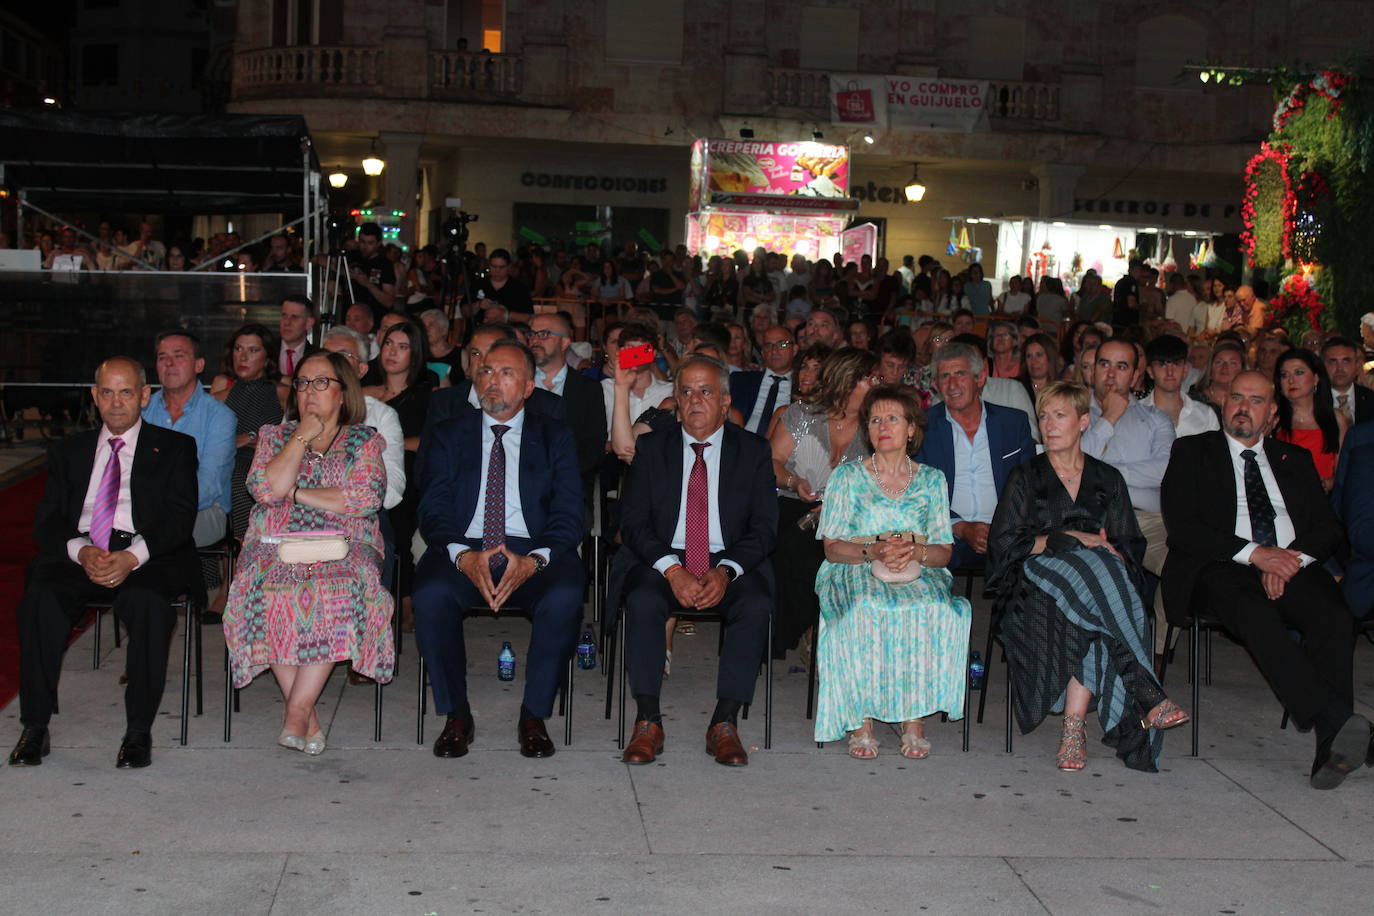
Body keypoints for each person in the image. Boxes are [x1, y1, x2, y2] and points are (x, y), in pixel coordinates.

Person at [1161, 371, 1370, 789]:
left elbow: (1329, 528)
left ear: (1273, 413)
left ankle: (1333, 743)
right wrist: (1257, 554)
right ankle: (1334, 718)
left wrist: (1286, 561)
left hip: (1291, 564)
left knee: (1334, 616)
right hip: (1219, 567)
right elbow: (1183, 527)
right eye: (1236, 397)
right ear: (1223, 403)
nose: (1243, 407)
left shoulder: (1295, 459)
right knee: (1252, 609)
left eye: (1255, 400)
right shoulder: (1191, 452)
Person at [9, 358, 201, 769]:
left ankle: (137, 733)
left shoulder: (173, 448)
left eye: (126, 392)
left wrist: (132, 557)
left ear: (144, 396)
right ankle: (35, 726)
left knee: (149, 607)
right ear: (95, 397)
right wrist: (82, 551)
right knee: (40, 599)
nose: (117, 403)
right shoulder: (68, 451)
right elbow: (47, 521)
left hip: (144, 555)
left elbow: (179, 519)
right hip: (85, 553)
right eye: (108, 392)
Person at [989, 381, 1189, 773]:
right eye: (1043, 416)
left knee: (1097, 582)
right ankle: (1145, 696)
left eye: (1059, 415)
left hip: (1095, 593)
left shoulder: (1107, 478)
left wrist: (1101, 548)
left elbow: (1129, 543)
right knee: (1090, 574)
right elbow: (1005, 545)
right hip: (1035, 586)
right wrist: (1064, 539)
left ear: (1083, 421)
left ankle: (1073, 730)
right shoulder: (1025, 476)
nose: (1048, 424)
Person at [413, 340, 585, 760]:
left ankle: (534, 715)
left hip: (533, 550)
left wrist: (532, 561)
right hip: (463, 546)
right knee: (430, 593)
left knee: (564, 594)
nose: (493, 380)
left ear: (527, 387)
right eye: (486, 370)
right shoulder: (448, 435)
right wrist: (463, 556)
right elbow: (433, 510)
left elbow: (570, 514)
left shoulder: (555, 436)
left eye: (506, 373)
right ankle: (456, 715)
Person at [222, 351, 395, 756]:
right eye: (302, 383)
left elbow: (362, 497)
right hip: (274, 543)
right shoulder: (273, 436)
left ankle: (297, 709)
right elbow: (264, 490)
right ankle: (305, 716)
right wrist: (299, 437)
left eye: (321, 383)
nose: (309, 392)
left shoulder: (363, 440)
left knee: (336, 586)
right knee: (259, 588)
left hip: (345, 543)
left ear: (342, 392)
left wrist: (296, 493)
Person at [618, 355, 778, 766]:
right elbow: (633, 523)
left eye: (705, 391)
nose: (694, 401)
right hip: (663, 558)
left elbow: (764, 528)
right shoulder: (653, 447)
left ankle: (724, 722)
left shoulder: (754, 451)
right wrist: (672, 570)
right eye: (685, 391)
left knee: (755, 602)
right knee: (643, 599)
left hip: (729, 559)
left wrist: (725, 571)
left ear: (725, 401)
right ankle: (648, 720)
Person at [814, 385, 971, 758]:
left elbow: (944, 551)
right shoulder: (847, 477)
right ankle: (860, 719)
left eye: (893, 418)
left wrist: (915, 551)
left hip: (918, 568)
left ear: (912, 428)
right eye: (874, 419)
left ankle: (912, 716)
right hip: (853, 566)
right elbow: (832, 547)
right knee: (868, 604)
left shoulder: (932, 480)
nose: (882, 426)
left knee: (930, 605)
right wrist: (873, 551)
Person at [769, 348, 878, 657]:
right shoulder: (804, 415)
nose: (876, 384)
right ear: (849, 380)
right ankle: (808, 625)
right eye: (871, 378)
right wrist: (795, 482)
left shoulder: (875, 426)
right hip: (793, 500)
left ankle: (816, 626)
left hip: (849, 514)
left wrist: (841, 504)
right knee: (790, 539)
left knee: (814, 544)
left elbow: (882, 481)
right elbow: (772, 462)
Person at [1081, 338, 1175, 652]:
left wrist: (1104, 471)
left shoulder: (1156, 420)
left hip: (1148, 521)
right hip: (1089, 519)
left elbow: (1163, 471)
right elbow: (1072, 470)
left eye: (1122, 366)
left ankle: (1156, 656)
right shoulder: (1072, 414)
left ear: (1135, 375)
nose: (1111, 374)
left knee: (1181, 568)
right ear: (1092, 369)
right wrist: (1107, 419)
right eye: (1104, 364)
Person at [916, 341, 1035, 571]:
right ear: (935, 386)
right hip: (945, 535)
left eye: (960, 374)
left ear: (979, 379)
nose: (952, 385)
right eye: (944, 377)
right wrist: (960, 527)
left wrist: (1003, 528)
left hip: (1006, 532)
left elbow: (1028, 486)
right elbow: (919, 492)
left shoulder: (1013, 423)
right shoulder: (923, 427)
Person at [362, 320, 434, 620]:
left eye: (402, 347)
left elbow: (429, 440)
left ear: (414, 354)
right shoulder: (362, 392)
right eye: (389, 344)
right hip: (362, 473)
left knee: (400, 507)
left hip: (408, 471)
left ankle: (403, 594)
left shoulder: (425, 395)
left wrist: (391, 443)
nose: (392, 352)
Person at [141, 331, 236, 550]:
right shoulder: (143, 411)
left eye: (178, 355)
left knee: (148, 532)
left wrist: (155, 505)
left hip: (203, 512)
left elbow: (208, 486)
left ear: (199, 365)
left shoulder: (219, 416)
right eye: (162, 357)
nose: (169, 363)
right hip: (145, 509)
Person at [211, 324, 288, 550]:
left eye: (253, 350)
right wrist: (237, 440)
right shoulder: (218, 399)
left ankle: (247, 554)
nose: (243, 357)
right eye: (238, 349)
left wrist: (254, 437)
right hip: (225, 466)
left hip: (265, 469)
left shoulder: (284, 393)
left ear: (267, 357)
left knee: (242, 483)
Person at [528, 311, 608, 487]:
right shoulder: (517, 383)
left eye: (544, 334)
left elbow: (594, 445)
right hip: (522, 485)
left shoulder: (588, 388)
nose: (535, 340)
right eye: (532, 334)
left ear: (564, 342)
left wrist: (563, 476)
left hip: (572, 485)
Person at [1273, 348, 1347, 492]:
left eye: (1299, 372)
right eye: (1284, 375)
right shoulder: (1274, 419)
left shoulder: (1335, 418)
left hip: (1325, 499)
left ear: (1316, 378)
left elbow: (1343, 470)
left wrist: (1330, 483)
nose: (1291, 380)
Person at [1142, 335, 1220, 438]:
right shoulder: (1136, 414)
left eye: (1176, 364)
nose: (1170, 372)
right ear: (1150, 371)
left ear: (1185, 370)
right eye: (1162, 365)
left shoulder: (1206, 415)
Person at [730, 325, 796, 437]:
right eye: (768, 345)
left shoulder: (802, 388)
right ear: (762, 353)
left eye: (782, 344)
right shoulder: (739, 380)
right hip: (740, 442)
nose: (774, 350)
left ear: (794, 350)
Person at [348, 222, 397, 321]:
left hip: (374, 320)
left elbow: (389, 301)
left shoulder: (384, 264)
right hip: (351, 318)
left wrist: (367, 284)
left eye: (370, 243)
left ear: (378, 243)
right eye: (362, 242)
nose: (365, 246)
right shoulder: (351, 257)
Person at [1190, 340, 1247, 423]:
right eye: (1219, 362)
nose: (1225, 367)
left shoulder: (1247, 402)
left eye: (1232, 363)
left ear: (1242, 370)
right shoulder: (1193, 400)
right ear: (1210, 369)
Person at [1321, 336, 1373, 426]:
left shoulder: (1371, 399)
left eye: (1346, 361)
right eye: (1333, 361)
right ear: (1322, 365)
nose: (1339, 368)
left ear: (1357, 365)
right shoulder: (1312, 401)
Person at [419, 307, 464, 385]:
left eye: (431, 325)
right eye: (423, 326)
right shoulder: (418, 353)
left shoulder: (460, 354)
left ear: (444, 330)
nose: (426, 329)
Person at [278, 295, 319, 379]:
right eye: (284, 316)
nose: (287, 323)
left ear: (308, 323)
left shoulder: (316, 356)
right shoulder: (266, 351)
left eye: (294, 317)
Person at [1019, 331, 1062, 402]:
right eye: (1029, 356)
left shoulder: (1061, 389)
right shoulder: (1017, 387)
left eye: (1039, 355)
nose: (1034, 361)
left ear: (1050, 357)